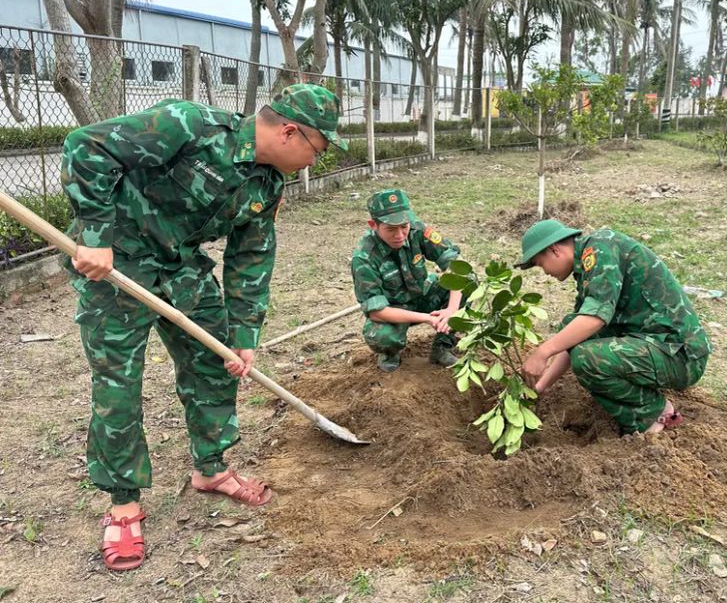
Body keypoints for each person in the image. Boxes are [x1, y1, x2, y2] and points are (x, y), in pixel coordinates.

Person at [62, 83, 348, 571]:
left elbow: (251, 257)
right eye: (316, 151)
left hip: (181, 268)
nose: (313, 163)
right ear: (289, 132)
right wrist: (95, 235)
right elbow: (86, 145)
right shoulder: (189, 125)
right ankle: (124, 505)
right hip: (118, 264)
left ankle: (210, 469)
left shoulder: (266, 184)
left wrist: (244, 336)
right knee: (119, 385)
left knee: (217, 362)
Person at [515, 218, 711, 435]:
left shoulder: (600, 248)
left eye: (540, 264)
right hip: (657, 346)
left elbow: (594, 319)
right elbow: (580, 332)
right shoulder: (589, 264)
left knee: (588, 359)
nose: (545, 272)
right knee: (572, 328)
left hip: (681, 355)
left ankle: (653, 415)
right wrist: (541, 387)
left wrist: (543, 351)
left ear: (554, 250)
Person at [351, 189, 462, 372]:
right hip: (394, 311)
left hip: (424, 295)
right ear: (374, 225)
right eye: (391, 229)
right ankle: (390, 353)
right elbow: (376, 312)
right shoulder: (364, 257)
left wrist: (451, 311)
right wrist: (426, 319)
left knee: (469, 283)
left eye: (404, 226)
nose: (400, 235)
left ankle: (442, 347)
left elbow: (456, 266)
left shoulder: (417, 229)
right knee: (382, 336)